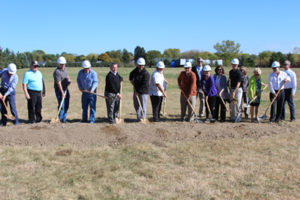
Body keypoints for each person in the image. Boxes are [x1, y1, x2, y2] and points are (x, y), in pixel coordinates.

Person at [129, 57, 150, 121]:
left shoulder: (146, 73)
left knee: (143, 106)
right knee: (136, 105)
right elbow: (130, 76)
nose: (141, 66)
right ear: (137, 65)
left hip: (144, 91)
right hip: (136, 90)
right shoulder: (135, 71)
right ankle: (139, 117)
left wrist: (138, 91)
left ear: (144, 65)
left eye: (142, 65)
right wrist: (133, 84)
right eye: (139, 65)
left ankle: (143, 117)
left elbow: (144, 84)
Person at [53, 56, 71, 123]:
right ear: (58, 64)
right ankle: (60, 119)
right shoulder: (57, 72)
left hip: (65, 88)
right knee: (62, 105)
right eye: (61, 64)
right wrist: (62, 93)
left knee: (67, 104)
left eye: (64, 64)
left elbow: (67, 76)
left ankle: (64, 118)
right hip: (59, 89)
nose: (63, 65)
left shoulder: (65, 69)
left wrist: (69, 80)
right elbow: (58, 83)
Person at [229, 58, 243, 122]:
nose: (234, 66)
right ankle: (232, 116)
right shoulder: (230, 72)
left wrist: (235, 91)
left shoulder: (239, 73)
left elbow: (239, 83)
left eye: (235, 65)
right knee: (232, 103)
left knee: (238, 103)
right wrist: (231, 90)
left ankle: (239, 117)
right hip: (232, 88)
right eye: (233, 65)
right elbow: (230, 80)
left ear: (237, 65)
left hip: (238, 89)